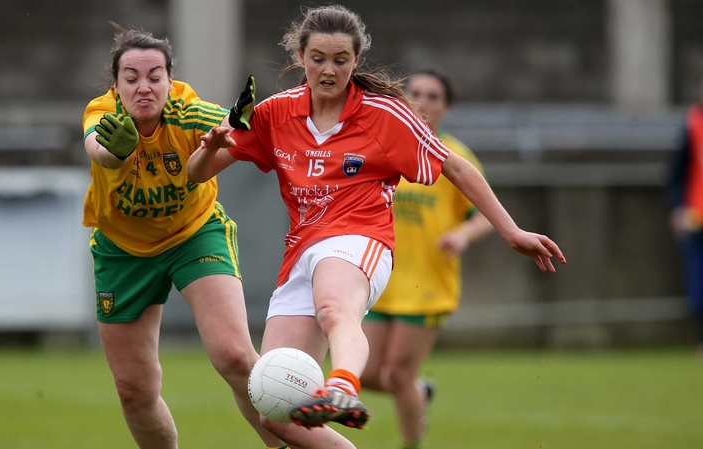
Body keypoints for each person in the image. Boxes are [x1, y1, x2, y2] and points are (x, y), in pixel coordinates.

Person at [187, 5, 565, 448]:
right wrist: (209, 145)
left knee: (333, 308)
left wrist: (512, 232)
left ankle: (344, 385)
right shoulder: (274, 113)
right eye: (319, 59)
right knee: (274, 410)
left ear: (356, 61)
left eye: (341, 60)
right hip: (300, 251)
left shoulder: (386, 115)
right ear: (300, 56)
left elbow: (457, 168)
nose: (329, 70)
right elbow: (199, 173)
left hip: (359, 237)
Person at [82, 24, 289, 449]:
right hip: (123, 250)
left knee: (234, 356)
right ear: (115, 85)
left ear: (169, 81)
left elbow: (233, 128)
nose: (144, 87)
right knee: (134, 392)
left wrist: (242, 121)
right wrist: (117, 151)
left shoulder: (187, 109)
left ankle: (291, 445)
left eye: (155, 77)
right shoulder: (101, 114)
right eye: (132, 78)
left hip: (193, 234)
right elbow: (98, 151)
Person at [360, 69, 494, 449]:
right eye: (415, 92)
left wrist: (463, 233)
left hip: (428, 285)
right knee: (365, 373)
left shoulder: (457, 157)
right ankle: (420, 392)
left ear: (447, 107)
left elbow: (485, 213)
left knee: (399, 374)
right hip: (380, 280)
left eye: (433, 96)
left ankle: (412, 441)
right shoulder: (387, 147)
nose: (421, 101)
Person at [668, 70, 703, 355]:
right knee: (698, 286)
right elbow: (676, 173)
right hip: (698, 217)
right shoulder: (693, 123)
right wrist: (678, 207)